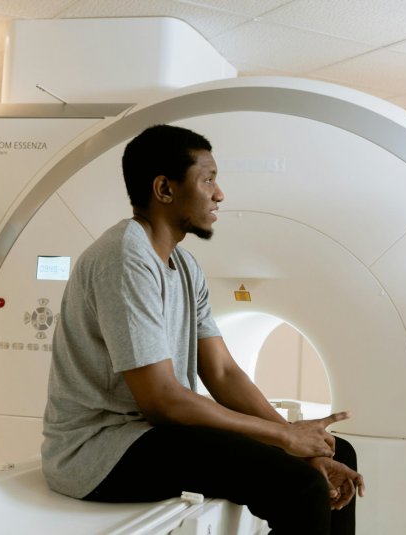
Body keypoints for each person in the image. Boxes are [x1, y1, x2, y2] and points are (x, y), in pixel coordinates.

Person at [42, 124, 364, 534]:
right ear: (164, 189)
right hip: (100, 449)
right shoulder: (124, 258)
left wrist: (297, 440)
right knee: (298, 485)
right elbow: (162, 400)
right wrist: (284, 441)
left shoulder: (185, 268)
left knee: (339, 455)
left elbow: (222, 372)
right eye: (208, 179)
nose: (219, 193)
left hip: (155, 434)